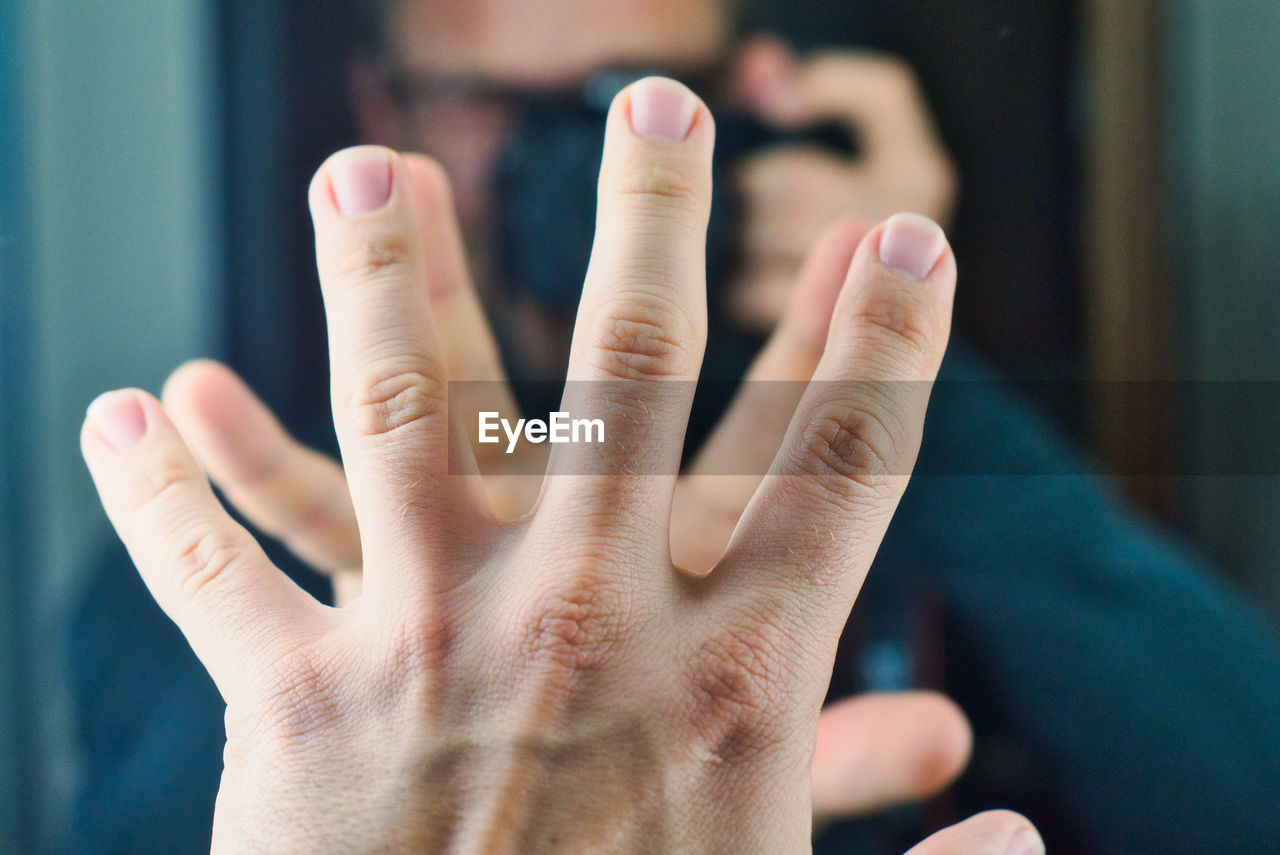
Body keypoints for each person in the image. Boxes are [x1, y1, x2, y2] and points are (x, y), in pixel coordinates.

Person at [68, 1, 1280, 852]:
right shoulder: (265, 503)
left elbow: (1243, 791)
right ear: (385, 104)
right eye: (490, 104)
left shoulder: (862, 476)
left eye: (623, 101)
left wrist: (892, 360)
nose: (563, 163)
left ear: (742, 107)